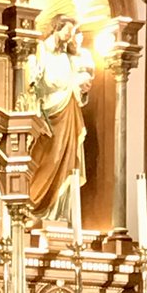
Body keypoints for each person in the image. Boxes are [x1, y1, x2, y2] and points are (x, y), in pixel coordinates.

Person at [26, 14, 93, 222]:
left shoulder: (68, 56)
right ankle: (31, 206)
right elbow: (34, 84)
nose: (69, 36)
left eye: (72, 32)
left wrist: (83, 87)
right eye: (67, 30)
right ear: (57, 27)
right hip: (47, 112)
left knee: (66, 159)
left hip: (68, 110)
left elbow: (74, 80)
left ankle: (57, 213)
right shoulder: (40, 51)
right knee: (47, 158)